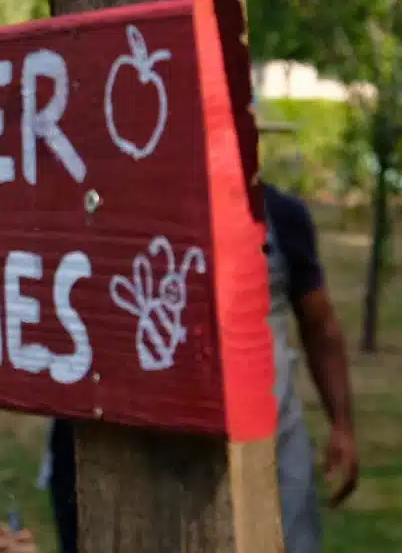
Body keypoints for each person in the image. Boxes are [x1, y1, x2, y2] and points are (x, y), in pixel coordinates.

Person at [45, 182, 358, 553]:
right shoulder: (99, 215)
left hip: (269, 460)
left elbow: (319, 323)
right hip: (140, 467)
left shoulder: (278, 214)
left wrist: (342, 424)